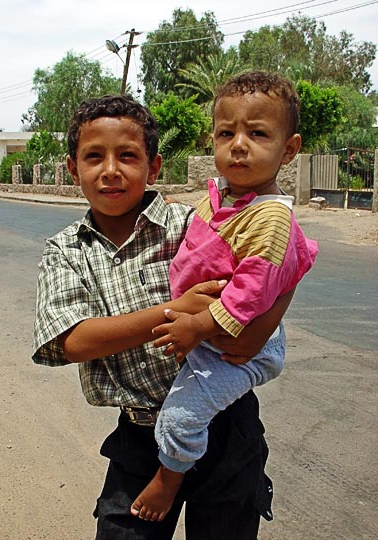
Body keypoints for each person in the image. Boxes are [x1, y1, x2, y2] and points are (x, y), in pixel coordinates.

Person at [32, 93, 295, 540]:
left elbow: (266, 276)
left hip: (227, 427)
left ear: (153, 167)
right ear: (74, 169)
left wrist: (253, 334)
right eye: (94, 157)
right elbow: (71, 341)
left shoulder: (192, 224)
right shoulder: (67, 251)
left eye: (128, 156)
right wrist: (175, 312)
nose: (111, 170)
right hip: (140, 439)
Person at [131, 71, 318, 522]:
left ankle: (167, 481)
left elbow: (250, 295)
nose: (238, 144)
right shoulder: (216, 201)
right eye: (226, 132)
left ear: (288, 149)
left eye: (257, 133)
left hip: (240, 346)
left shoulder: (270, 218)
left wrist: (196, 326)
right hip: (211, 332)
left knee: (179, 417)